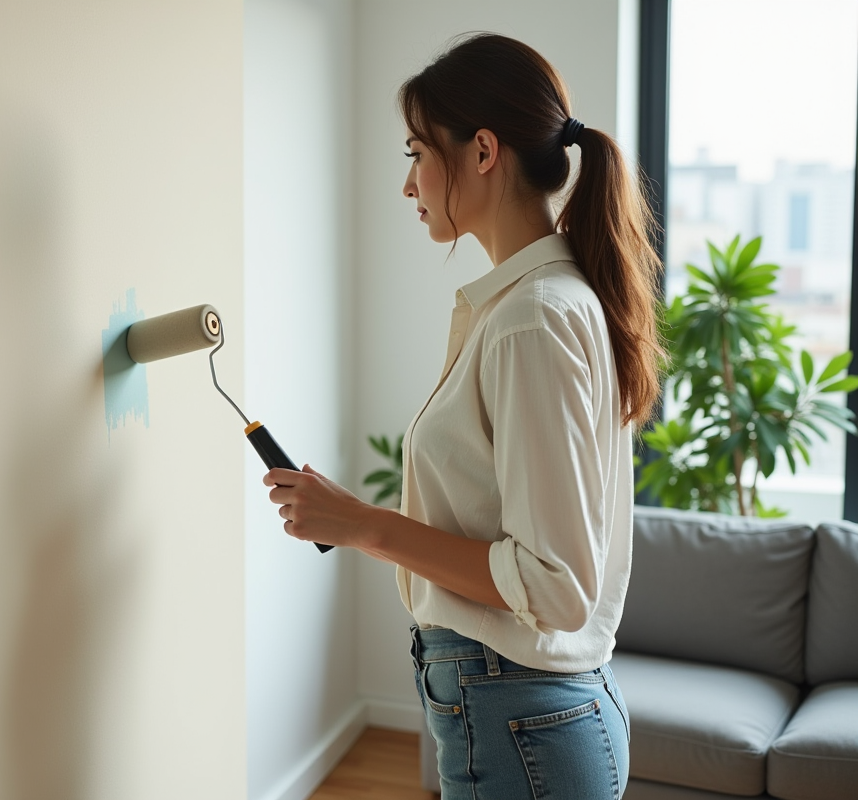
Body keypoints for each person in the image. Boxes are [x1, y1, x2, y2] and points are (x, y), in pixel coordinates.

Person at [262, 33, 663, 799]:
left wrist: (362, 524)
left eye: (416, 153)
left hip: (519, 719)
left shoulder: (532, 321)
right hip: (530, 718)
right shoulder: (548, 303)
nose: (408, 185)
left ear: (483, 151)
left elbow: (554, 584)